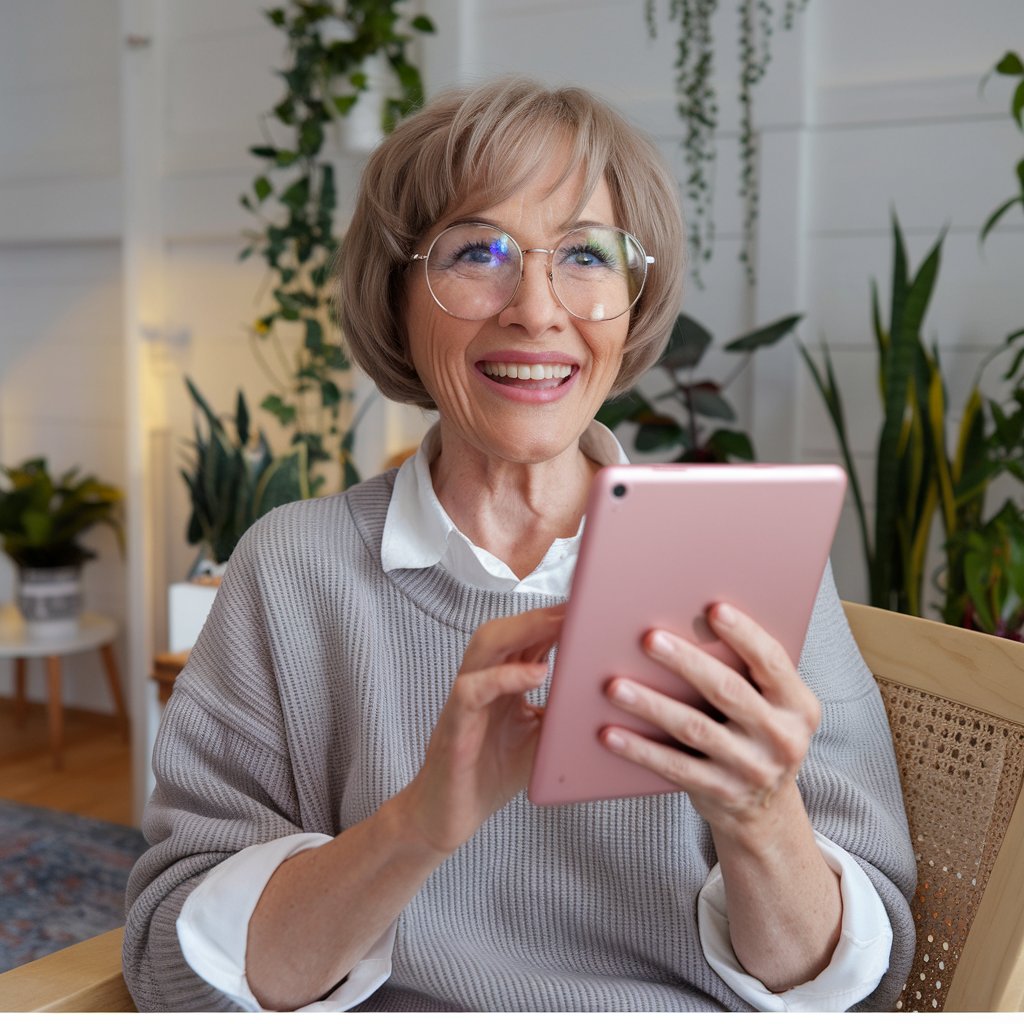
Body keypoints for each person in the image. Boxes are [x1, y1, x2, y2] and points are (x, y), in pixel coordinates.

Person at [123, 77, 916, 1012]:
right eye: (478, 250)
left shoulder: (741, 560)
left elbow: (863, 986)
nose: (537, 310)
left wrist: (760, 818)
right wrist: (419, 824)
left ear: (632, 296)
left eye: (585, 253)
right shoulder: (292, 570)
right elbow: (180, 970)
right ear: (398, 297)